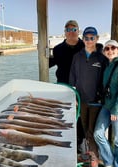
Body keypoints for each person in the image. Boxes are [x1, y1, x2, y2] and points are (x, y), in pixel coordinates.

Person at [69, 26, 108, 167]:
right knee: (85, 129)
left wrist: (102, 97)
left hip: (96, 102)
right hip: (81, 101)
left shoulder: (102, 58)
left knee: (93, 131)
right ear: (83, 39)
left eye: (92, 38)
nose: (89, 40)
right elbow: (72, 78)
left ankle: (94, 161)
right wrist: (74, 97)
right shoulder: (77, 56)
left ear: (97, 39)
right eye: (86, 38)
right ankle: (91, 154)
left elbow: (106, 80)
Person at [49, 20, 85, 151]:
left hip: (81, 87)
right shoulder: (58, 49)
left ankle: (80, 141)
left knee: (80, 115)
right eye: (68, 30)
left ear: (78, 31)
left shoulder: (85, 46)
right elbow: (47, 64)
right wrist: (42, 55)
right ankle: (64, 137)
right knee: (63, 113)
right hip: (63, 86)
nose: (71, 32)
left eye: (74, 29)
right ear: (65, 33)